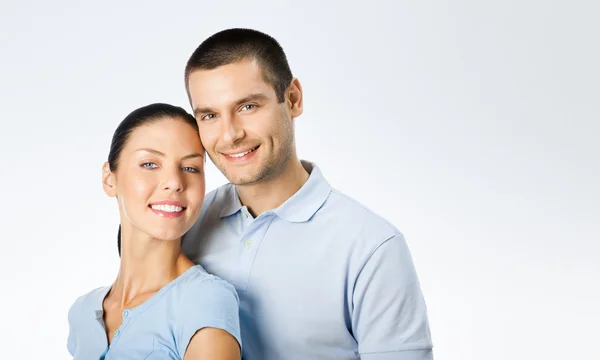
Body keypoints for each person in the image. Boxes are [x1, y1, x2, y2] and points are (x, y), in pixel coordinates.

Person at [181, 28, 434, 359]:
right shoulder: (185, 226)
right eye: (210, 115)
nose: (230, 134)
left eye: (247, 106)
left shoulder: (371, 247)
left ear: (293, 99)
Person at [67, 103, 242, 359]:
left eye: (191, 168)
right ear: (109, 179)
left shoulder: (204, 300)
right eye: (149, 164)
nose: (174, 183)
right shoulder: (82, 313)